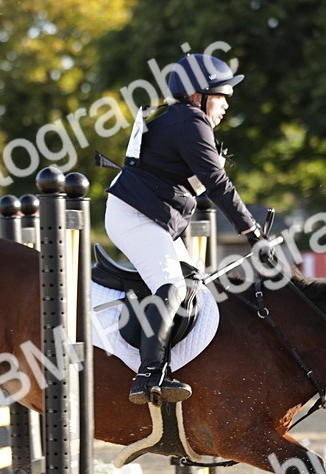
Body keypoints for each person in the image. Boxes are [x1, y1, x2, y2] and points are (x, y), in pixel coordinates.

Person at [105, 53, 274, 406]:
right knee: (172, 284)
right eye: (221, 96)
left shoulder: (186, 121)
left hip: (151, 216)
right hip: (134, 215)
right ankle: (149, 373)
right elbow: (219, 186)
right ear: (199, 95)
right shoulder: (190, 121)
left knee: (193, 283)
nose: (227, 105)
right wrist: (252, 233)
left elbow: (188, 182)